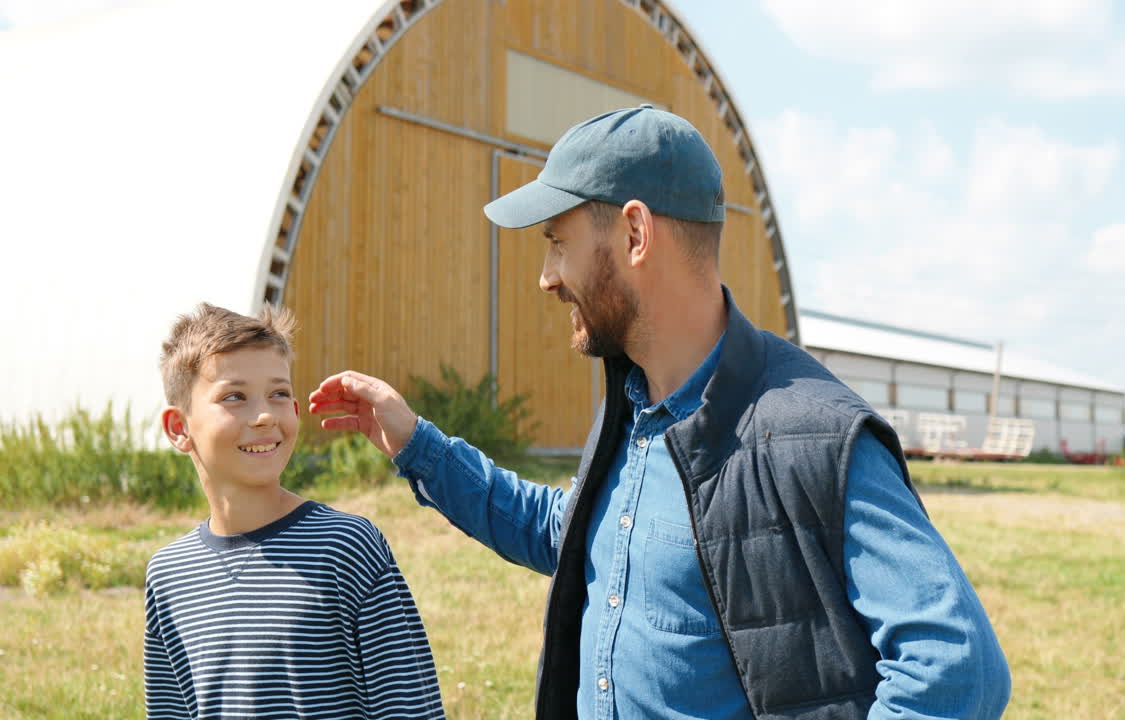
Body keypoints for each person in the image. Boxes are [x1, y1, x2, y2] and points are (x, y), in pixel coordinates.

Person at [309, 106, 1011, 719]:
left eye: (559, 242)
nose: (546, 277)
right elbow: (571, 532)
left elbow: (955, 669)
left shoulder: (812, 434)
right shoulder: (635, 406)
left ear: (636, 234)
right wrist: (415, 442)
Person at [144, 303, 446, 720]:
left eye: (279, 394)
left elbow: (410, 707)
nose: (265, 415)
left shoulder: (347, 548)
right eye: (235, 397)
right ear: (179, 428)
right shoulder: (169, 574)